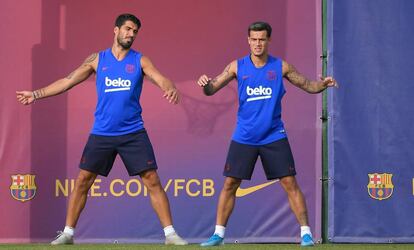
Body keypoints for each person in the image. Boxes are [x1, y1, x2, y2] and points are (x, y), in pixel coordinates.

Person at [16, 14, 187, 246]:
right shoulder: (97, 59)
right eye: (127, 29)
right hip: (102, 133)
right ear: (116, 30)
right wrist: (36, 94)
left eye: (135, 31)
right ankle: (67, 234)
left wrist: (170, 87)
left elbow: (161, 78)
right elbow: (67, 80)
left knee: (152, 179)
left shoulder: (140, 60)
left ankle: (170, 235)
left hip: (133, 133)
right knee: (83, 180)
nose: (131, 34)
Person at [196, 21, 337, 247]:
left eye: (262, 39)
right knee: (231, 184)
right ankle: (218, 235)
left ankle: (306, 234)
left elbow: (308, 85)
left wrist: (323, 85)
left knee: (290, 182)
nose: (258, 43)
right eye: (254, 39)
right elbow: (211, 89)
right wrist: (204, 84)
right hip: (244, 137)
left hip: (274, 135)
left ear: (268, 40)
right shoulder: (236, 67)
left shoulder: (281, 67)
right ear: (248, 41)